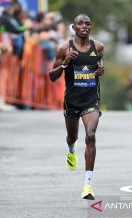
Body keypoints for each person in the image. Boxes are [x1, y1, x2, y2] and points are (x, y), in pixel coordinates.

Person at [49, 14, 104, 200]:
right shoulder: (65, 48)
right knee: (72, 137)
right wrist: (65, 64)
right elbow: (52, 76)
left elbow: (98, 63)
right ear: (73, 27)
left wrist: (101, 68)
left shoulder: (98, 47)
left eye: (88, 23)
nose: (84, 26)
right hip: (72, 101)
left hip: (90, 101)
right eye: (80, 23)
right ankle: (71, 150)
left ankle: (88, 186)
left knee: (91, 135)